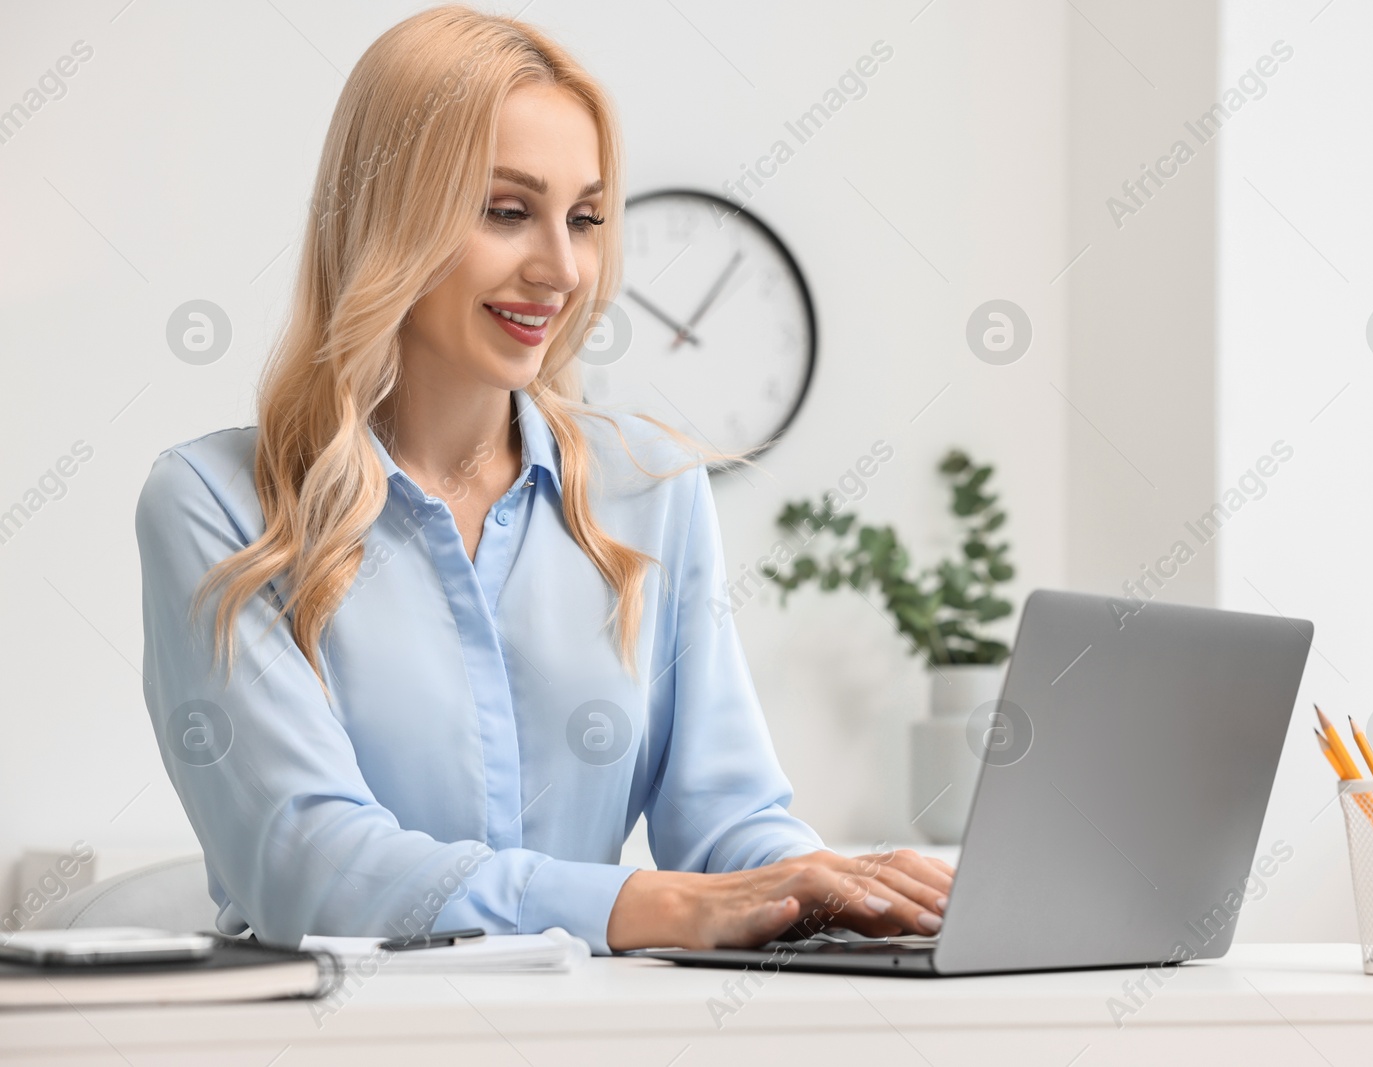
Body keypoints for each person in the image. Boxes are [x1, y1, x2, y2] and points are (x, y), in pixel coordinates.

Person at [135, 5, 951, 955]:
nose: (562, 269)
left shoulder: (650, 489)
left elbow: (730, 826)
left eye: (587, 219)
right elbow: (312, 865)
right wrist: (657, 905)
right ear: (390, 216)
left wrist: (856, 890)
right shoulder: (216, 505)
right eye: (506, 210)